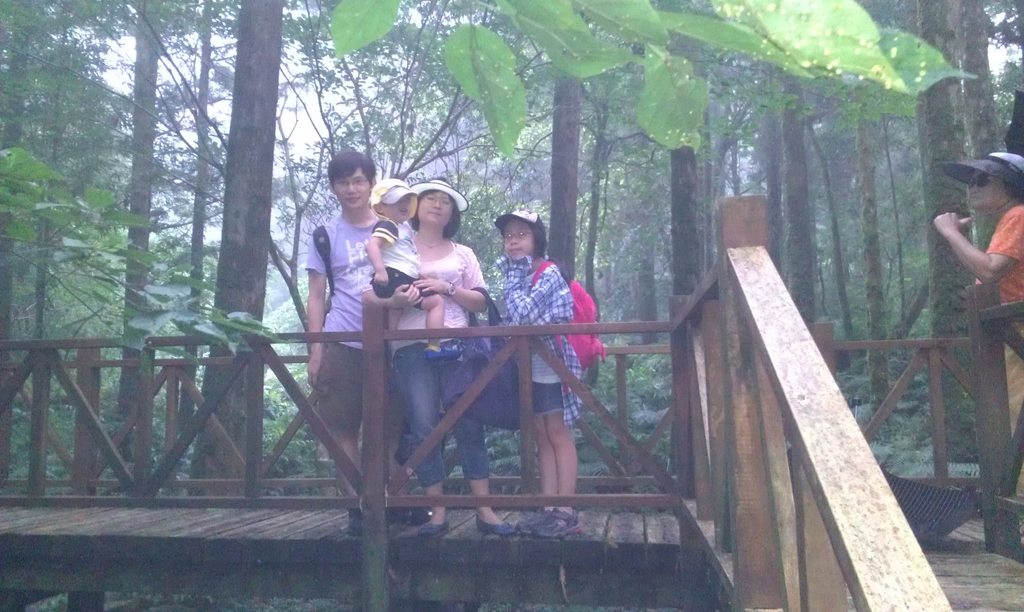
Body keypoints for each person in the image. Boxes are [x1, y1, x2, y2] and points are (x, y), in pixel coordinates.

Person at [363, 178, 515, 537]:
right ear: (415, 206)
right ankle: (437, 513)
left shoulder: (463, 254)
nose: (437, 204)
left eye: (445, 201)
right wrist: (398, 298)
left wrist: (446, 288)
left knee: (470, 422)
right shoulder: (397, 241)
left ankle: (485, 511)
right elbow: (369, 295)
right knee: (424, 427)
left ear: (452, 213)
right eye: (429, 198)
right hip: (409, 346)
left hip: (459, 346)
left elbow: (481, 302)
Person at [305, 150, 410, 535]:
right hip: (343, 339)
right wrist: (316, 348)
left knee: (390, 427)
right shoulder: (325, 236)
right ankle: (357, 508)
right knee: (344, 427)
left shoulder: (395, 228)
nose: (352, 189)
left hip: (391, 342)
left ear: (371, 185)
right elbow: (317, 295)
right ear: (334, 188)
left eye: (359, 181)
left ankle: (386, 502)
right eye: (343, 182)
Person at [935, 151, 1024, 490]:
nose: (973, 186)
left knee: (1015, 417)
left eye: (982, 179)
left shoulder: (1018, 215)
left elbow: (989, 270)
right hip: (1010, 333)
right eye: (971, 180)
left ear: (1010, 184)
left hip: (1016, 332)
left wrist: (950, 233)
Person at [495, 210, 583, 538]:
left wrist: (515, 275)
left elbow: (523, 316)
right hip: (527, 364)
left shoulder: (548, 273)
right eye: (508, 236)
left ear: (536, 239)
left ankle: (566, 510)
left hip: (552, 361)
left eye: (522, 234)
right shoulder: (517, 273)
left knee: (557, 432)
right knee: (541, 436)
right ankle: (548, 509)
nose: (513, 241)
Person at [365, 178, 458, 359]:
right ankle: (434, 347)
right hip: (394, 275)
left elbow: (405, 255)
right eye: (397, 201)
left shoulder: (403, 227)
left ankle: (391, 351)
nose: (404, 205)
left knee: (397, 308)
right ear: (381, 208)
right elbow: (372, 246)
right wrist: (380, 270)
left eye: (407, 200)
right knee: (436, 302)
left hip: (398, 277)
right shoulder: (388, 224)